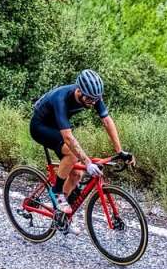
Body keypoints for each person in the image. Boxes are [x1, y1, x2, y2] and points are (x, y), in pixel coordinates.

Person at [29, 69, 133, 215]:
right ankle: (56, 191)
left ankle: (59, 216)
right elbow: (68, 137)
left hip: (56, 128)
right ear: (79, 91)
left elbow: (107, 121)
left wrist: (119, 151)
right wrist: (87, 162)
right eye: (90, 99)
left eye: (96, 99)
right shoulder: (61, 98)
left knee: (77, 174)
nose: (93, 103)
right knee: (72, 154)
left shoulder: (93, 96)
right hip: (40, 127)